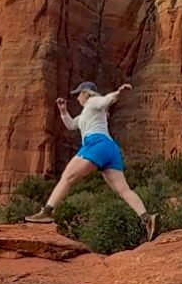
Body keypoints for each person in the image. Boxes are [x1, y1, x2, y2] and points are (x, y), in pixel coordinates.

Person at [25, 81, 157, 240]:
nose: (77, 97)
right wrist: (63, 111)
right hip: (110, 148)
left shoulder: (93, 102)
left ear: (86, 93)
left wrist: (118, 92)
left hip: (96, 143)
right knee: (124, 190)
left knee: (67, 178)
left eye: (78, 94)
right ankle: (146, 218)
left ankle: (47, 211)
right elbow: (72, 125)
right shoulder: (86, 114)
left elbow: (106, 100)